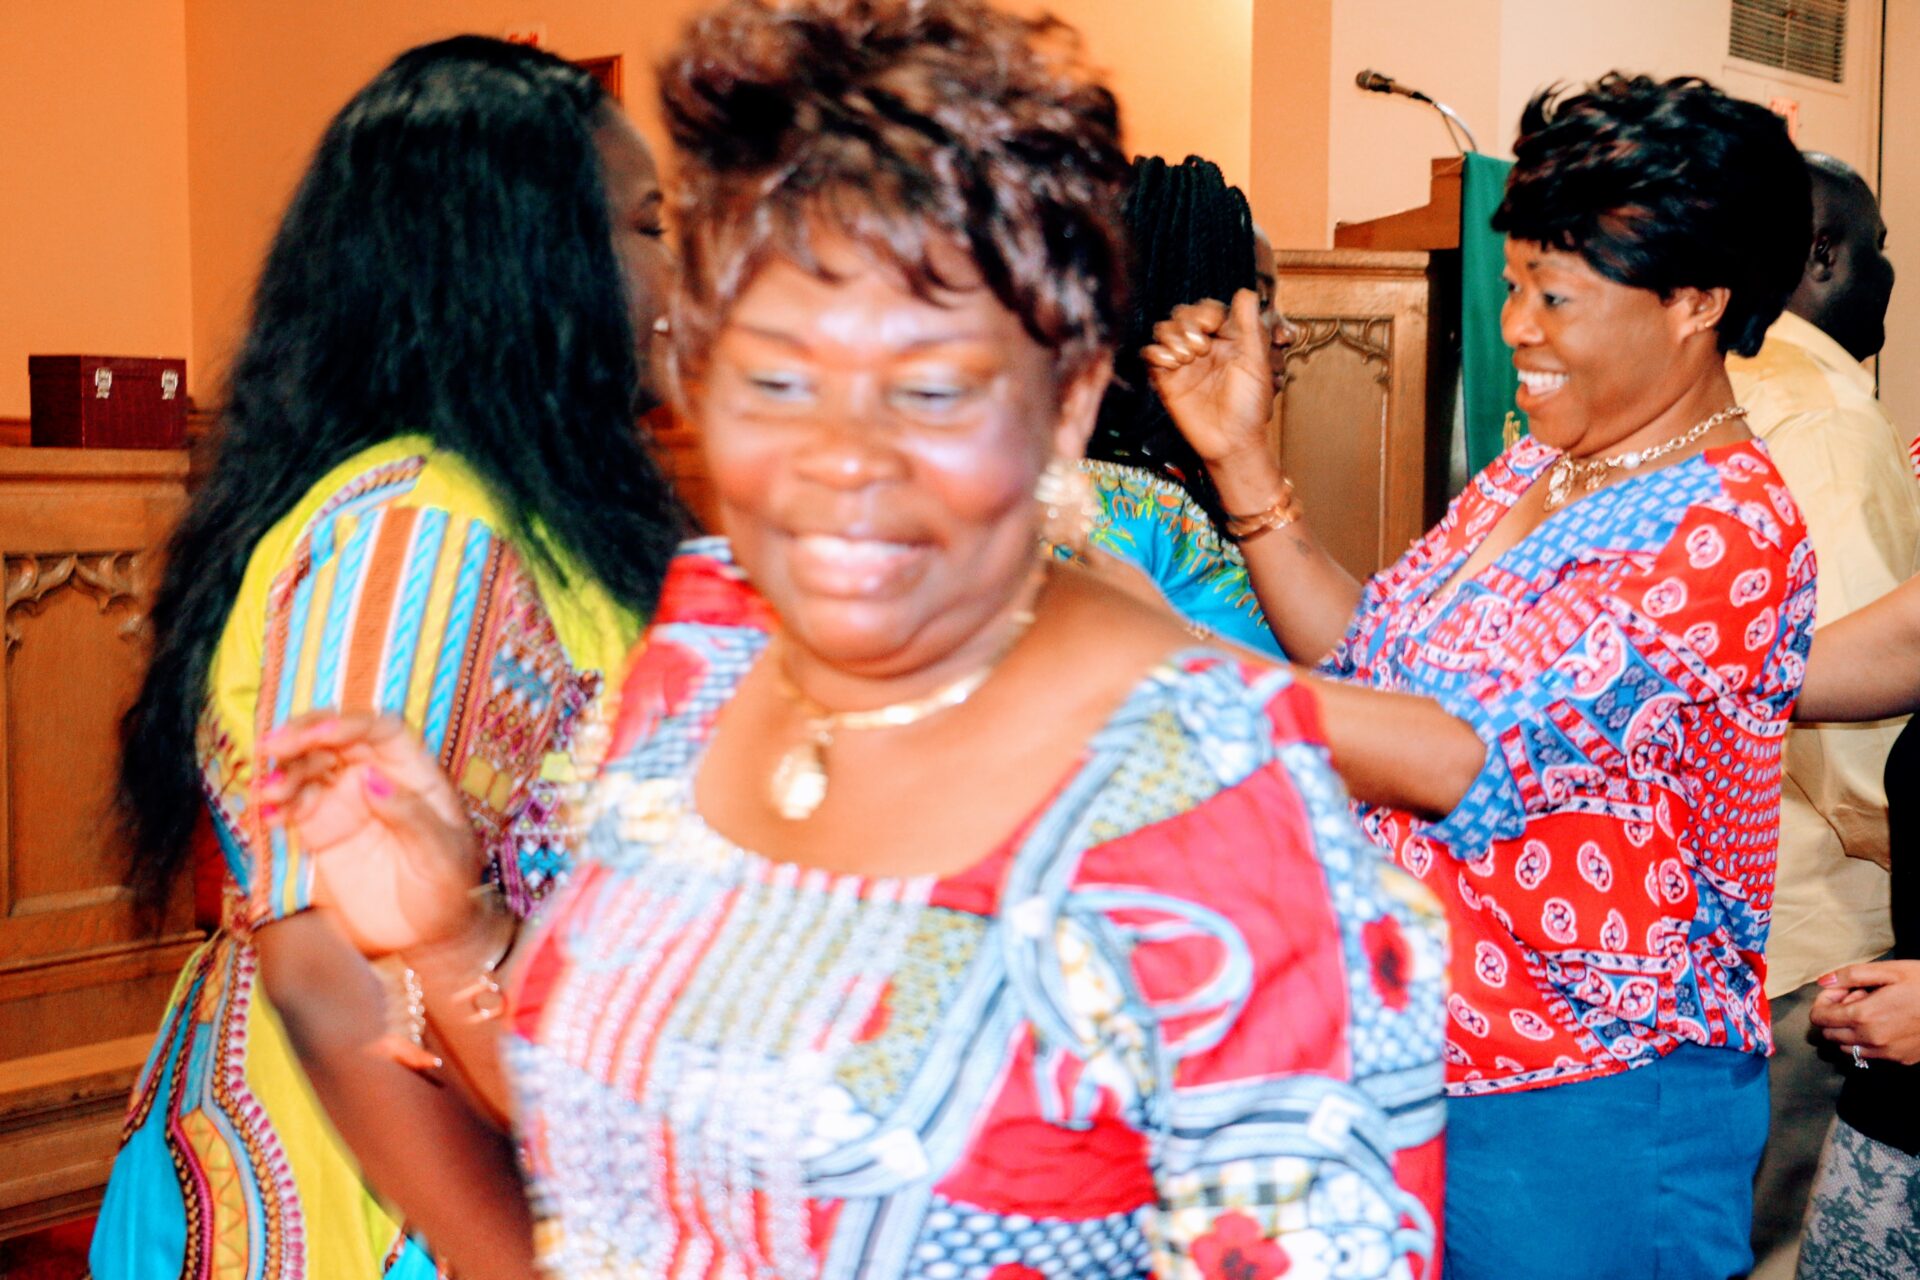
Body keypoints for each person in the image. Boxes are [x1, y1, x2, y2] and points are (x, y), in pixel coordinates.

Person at [248, 1, 1476, 1274]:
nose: (841, 463)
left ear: (1062, 403)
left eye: (931, 387)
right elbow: (636, 1131)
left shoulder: (1200, 805)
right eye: (779, 379)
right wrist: (457, 939)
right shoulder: (704, 662)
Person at [1143, 73, 1817, 1277]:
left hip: (1593, 1098)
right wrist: (1242, 463)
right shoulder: (1535, 470)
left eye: (1553, 295)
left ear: (1697, 300)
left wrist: (1137, 650)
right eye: (1513, 286)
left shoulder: (1725, 529)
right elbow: (1369, 663)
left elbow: (1471, 759)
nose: (1515, 329)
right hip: (1429, 1048)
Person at [92, 37, 682, 1280]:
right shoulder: (412, 526)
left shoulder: (536, 514)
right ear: (533, 259)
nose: (676, 268)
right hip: (378, 1197)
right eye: (646, 225)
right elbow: (326, 970)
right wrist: (515, 1254)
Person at [1726, 150, 1915, 1275]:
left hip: (1693, 907)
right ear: (1826, 257)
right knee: (1785, 1243)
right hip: (1814, 917)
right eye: (1883, 246)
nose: (1890, 271)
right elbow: (1862, 725)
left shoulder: (1679, 382)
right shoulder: (1832, 411)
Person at [1075, 154, 1297, 657]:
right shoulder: (1104, 508)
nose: (1287, 332)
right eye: (1260, 302)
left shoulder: (1191, 480)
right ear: (1181, 303)